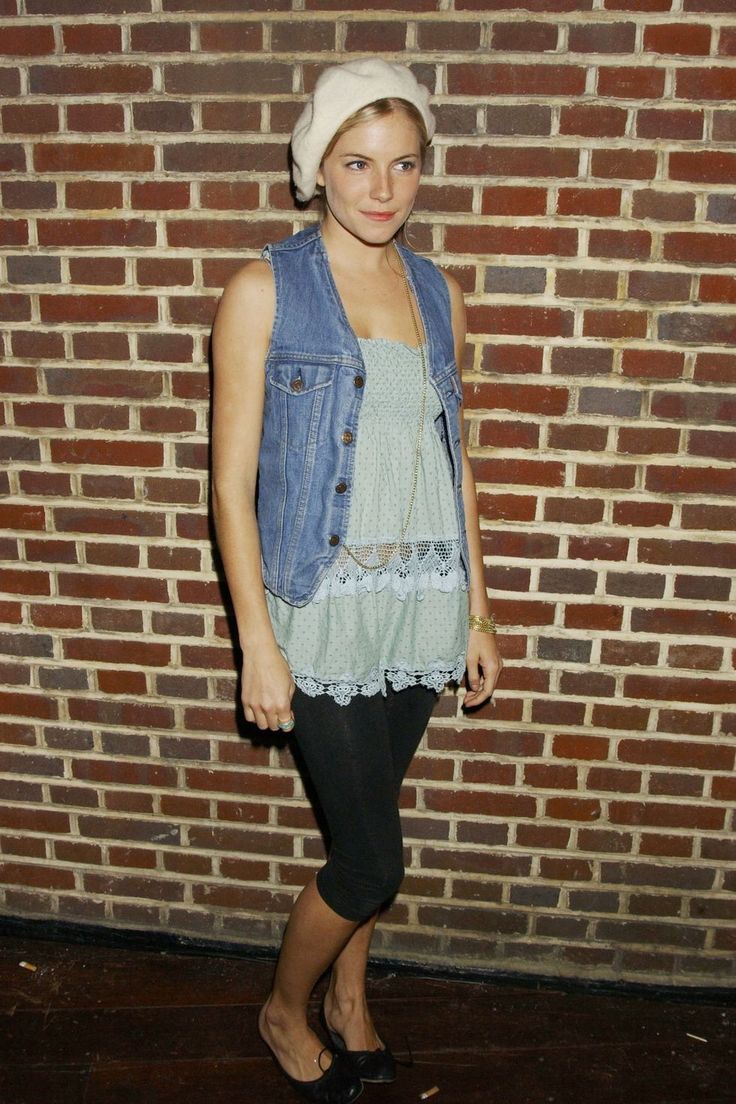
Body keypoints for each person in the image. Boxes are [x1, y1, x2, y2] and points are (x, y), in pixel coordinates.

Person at [211, 58, 502, 1104]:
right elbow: (229, 485)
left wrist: (477, 607)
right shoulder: (264, 288)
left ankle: (348, 999)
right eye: (358, 163)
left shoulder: (436, 290)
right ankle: (282, 1008)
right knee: (374, 858)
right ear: (317, 168)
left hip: (419, 600)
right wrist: (258, 640)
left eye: (404, 165)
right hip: (318, 610)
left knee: (365, 815)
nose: (383, 189)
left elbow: (452, 461)